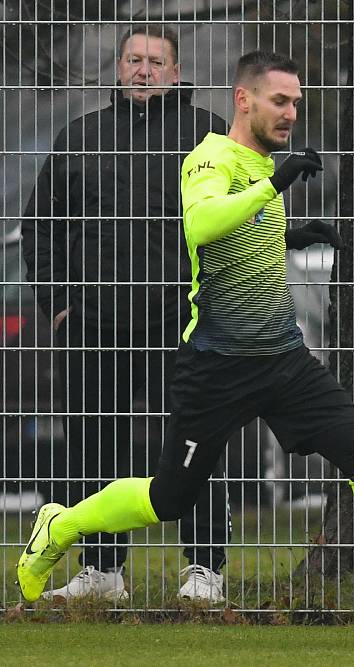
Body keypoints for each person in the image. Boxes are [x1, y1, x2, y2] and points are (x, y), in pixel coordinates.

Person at [17, 50, 354, 632]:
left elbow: (248, 239)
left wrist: (299, 232)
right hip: (217, 364)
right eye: (281, 101)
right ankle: (61, 525)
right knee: (170, 497)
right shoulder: (210, 158)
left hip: (284, 359)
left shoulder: (263, 164)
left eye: (297, 102)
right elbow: (202, 226)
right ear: (243, 100)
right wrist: (276, 182)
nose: (292, 113)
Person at [21, 25, 231, 603]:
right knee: (92, 446)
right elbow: (41, 230)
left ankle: (206, 569)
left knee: (195, 441)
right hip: (92, 324)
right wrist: (60, 308)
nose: (144, 71)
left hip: (181, 323)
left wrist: (213, 307)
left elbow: (239, 227)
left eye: (156, 62)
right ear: (118, 68)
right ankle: (102, 571)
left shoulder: (209, 136)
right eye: (134, 60)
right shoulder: (80, 136)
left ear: (176, 71)